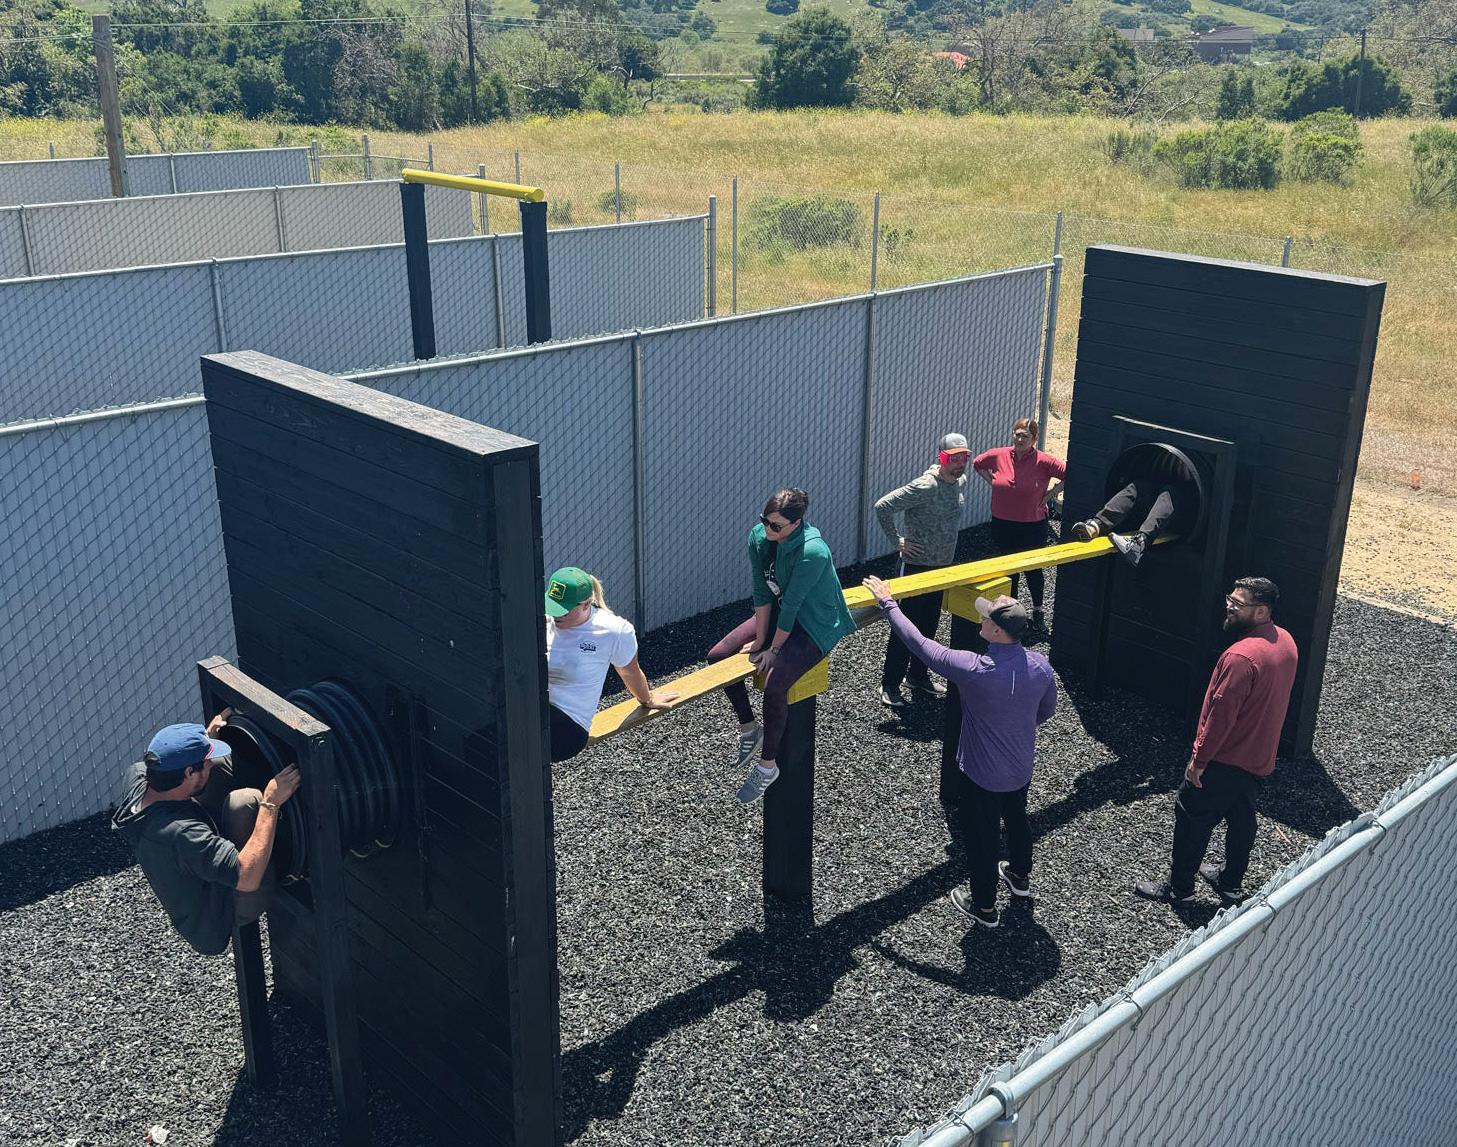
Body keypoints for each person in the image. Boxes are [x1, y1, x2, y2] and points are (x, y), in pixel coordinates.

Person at [864, 576, 1057, 929]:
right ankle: (1019, 875)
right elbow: (1046, 711)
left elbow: (920, 644)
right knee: (1017, 818)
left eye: (986, 617)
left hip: (982, 775)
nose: (980, 617)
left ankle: (984, 906)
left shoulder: (974, 669)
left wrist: (888, 603)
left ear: (997, 631)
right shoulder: (1041, 666)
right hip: (1020, 767)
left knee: (982, 837)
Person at [1135, 578, 1298, 906]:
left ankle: (1180, 889)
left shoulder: (1240, 657)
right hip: (1259, 757)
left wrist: (1199, 760)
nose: (1229, 607)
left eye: (1238, 604)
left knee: (1191, 816)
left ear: (1261, 611)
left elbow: (1220, 717)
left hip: (1225, 759)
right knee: (1242, 819)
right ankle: (1230, 882)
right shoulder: (1286, 643)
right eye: (1230, 599)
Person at [708, 488, 855, 804]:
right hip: (780, 612)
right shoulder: (759, 538)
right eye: (765, 520)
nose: (767, 529)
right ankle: (749, 728)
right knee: (717, 656)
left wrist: (773, 651)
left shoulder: (813, 551)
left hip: (814, 621)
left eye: (776, 525)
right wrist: (760, 639)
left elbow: (793, 606)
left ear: (796, 523)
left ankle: (767, 766)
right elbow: (762, 590)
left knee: (775, 685)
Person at [112, 712, 302, 956]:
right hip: (222, 909)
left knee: (221, 767)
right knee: (245, 802)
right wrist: (271, 803)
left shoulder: (139, 777)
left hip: (194, 866)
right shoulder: (180, 833)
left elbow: (174, 758)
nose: (210, 763)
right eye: (204, 762)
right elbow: (247, 877)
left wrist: (205, 739)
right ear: (188, 773)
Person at [872, 432, 971, 707]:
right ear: (941, 458)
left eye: (964, 457)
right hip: (916, 568)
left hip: (941, 569)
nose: (959, 463)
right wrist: (898, 542)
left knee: (928, 625)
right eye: (953, 458)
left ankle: (917, 676)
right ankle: (890, 684)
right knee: (905, 627)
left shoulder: (961, 481)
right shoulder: (925, 486)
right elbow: (883, 506)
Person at [545, 566, 676, 762]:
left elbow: (629, 672)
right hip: (536, 709)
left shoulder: (613, 631)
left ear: (586, 604)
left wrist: (647, 699)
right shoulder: (545, 620)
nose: (556, 615)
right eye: (552, 606)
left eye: (563, 610)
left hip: (568, 725)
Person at [972, 418, 1066, 631]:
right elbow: (978, 463)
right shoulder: (999, 455)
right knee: (1008, 569)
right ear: (1013, 435)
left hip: (1032, 525)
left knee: (1032, 569)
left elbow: (1069, 474)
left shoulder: (1044, 461)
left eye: (1026, 436)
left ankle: (1038, 611)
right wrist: (993, 483)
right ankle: (1011, 615)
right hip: (1003, 523)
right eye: (1018, 434)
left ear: (1034, 439)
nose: (1021, 439)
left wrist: (1050, 494)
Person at [1069, 450, 1197, 568]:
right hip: (1164, 503)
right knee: (1139, 487)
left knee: (1171, 492)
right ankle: (1096, 526)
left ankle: (1138, 545)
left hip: (1188, 516)